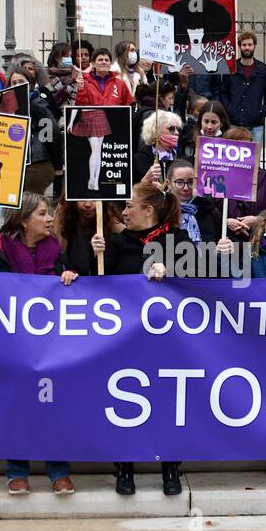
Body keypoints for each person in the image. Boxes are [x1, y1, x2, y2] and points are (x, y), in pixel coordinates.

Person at [0, 193, 77, 495]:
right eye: (43, 214)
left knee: (53, 405)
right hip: (13, 344)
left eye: (49, 214)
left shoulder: (55, 247)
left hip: (49, 344)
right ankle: (16, 470)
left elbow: (66, 282)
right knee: (16, 405)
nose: (49, 219)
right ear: (23, 219)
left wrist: (68, 276)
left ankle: (58, 469)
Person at [98, 181, 193, 496]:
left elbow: (204, 273)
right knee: (124, 402)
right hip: (125, 343)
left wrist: (173, 268)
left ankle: (170, 467)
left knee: (166, 403)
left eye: (129, 206)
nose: (124, 212)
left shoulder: (178, 240)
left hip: (169, 343)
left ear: (148, 210)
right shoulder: (116, 242)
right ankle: (124, 466)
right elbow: (96, 286)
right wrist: (88, 261)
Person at [71, 48, 134, 192]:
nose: (104, 62)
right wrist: (80, 88)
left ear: (110, 63)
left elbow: (128, 105)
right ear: (93, 63)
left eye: (106, 60)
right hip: (90, 118)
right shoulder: (84, 81)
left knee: (98, 151)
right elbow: (80, 105)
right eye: (100, 59)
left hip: (106, 121)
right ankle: (92, 181)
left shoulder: (120, 84)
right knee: (96, 150)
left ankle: (94, 181)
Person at [222, 126, 266, 240]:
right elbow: (208, 211)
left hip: (258, 243)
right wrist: (225, 222)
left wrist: (258, 220)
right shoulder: (216, 179)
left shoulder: (265, 180)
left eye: (246, 148)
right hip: (225, 242)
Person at [7, 66, 61, 196]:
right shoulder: (9, 106)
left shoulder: (36, 103)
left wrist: (57, 164)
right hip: (18, 164)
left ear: (30, 84)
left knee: (29, 207)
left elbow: (51, 133)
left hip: (37, 163)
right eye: (13, 83)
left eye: (21, 82)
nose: (17, 85)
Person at [221, 29, 266, 144]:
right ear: (239, 46)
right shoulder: (231, 68)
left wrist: (261, 112)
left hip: (256, 125)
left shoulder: (262, 70)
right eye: (244, 45)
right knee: (232, 159)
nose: (247, 48)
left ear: (254, 46)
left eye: (250, 44)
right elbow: (223, 93)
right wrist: (231, 111)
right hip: (233, 124)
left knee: (254, 160)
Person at [55, 194, 122, 277]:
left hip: (101, 281)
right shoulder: (65, 220)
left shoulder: (113, 224)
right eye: (82, 198)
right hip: (74, 281)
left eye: (93, 199)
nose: (88, 204)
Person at [166, 157, 220, 243]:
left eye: (191, 182)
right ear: (168, 184)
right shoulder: (161, 211)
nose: (186, 188)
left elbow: (217, 242)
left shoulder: (207, 207)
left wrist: (222, 248)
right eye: (179, 182)